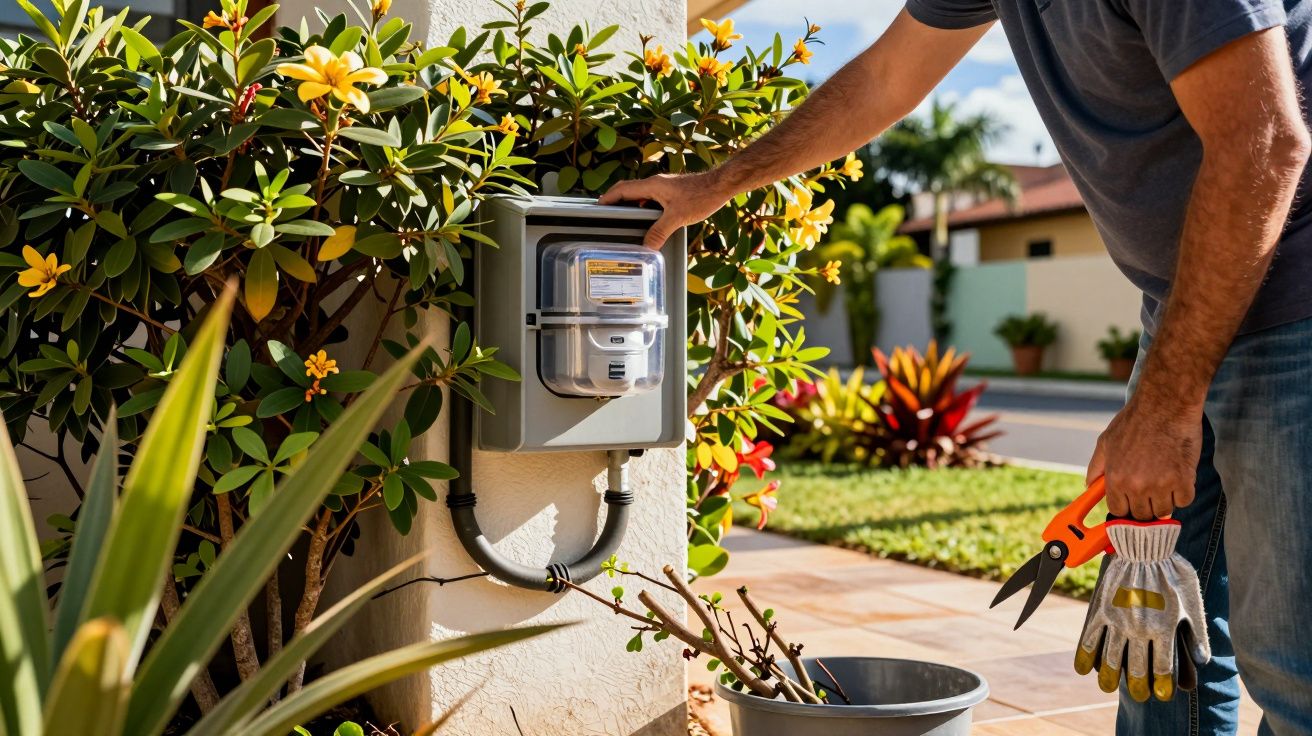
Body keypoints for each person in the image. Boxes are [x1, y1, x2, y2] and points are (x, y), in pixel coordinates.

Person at [600, 2, 1312, 733]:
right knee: (1157, 652)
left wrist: (1164, 408)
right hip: (1186, 307)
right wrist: (719, 182)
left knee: (1296, 669)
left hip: (1295, 299)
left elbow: (1264, 142)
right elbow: (885, 77)